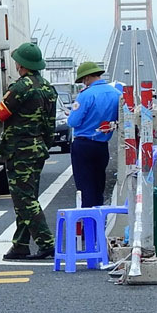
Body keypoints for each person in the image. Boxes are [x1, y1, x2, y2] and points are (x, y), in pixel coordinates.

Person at [0, 42, 57, 260]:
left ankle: (46, 242)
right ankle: (20, 245)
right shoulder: (48, 88)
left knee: (24, 200)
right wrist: (43, 145)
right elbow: (50, 126)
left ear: (21, 64)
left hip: (20, 151)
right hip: (37, 149)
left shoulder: (20, 88)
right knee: (27, 198)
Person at [66, 61, 122, 207]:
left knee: (85, 186)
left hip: (83, 145)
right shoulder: (116, 94)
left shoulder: (85, 95)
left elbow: (73, 121)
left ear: (86, 78)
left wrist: (71, 114)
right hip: (102, 145)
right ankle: (98, 217)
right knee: (98, 184)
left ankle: (87, 222)